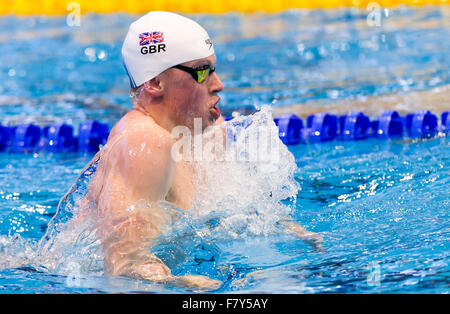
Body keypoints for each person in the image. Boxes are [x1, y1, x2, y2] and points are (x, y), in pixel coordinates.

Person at [53, 11, 322, 291]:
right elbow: (123, 269)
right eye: (203, 71)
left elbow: (233, 208)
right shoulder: (142, 144)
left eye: (214, 69)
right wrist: (180, 284)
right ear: (156, 82)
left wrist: (289, 229)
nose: (218, 84)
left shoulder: (208, 128)